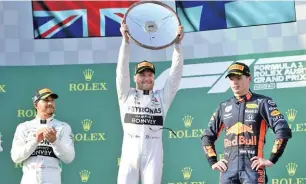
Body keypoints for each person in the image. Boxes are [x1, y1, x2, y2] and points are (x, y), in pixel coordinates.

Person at [201, 62, 292, 184]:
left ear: (249, 78)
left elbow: (283, 129)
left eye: (238, 78)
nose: (234, 82)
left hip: (253, 171)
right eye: (231, 79)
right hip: (228, 172)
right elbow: (207, 136)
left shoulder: (262, 102)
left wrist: (271, 159)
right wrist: (213, 161)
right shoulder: (223, 106)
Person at [116, 22, 184, 184]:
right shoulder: (126, 94)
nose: (146, 78)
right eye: (142, 75)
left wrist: (178, 46)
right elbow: (121, 70)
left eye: (149, 75)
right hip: (129, 157)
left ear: (154, 78)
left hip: (153, 156)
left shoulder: (162, 97)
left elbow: (175, 76)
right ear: (135, 78)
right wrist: (125, 42)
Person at [11, 88, 75, 184]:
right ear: (36, 104)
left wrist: (55, 141)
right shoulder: (24, 127)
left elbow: (69, 158)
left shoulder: (63, 127)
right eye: (46, 100)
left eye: (52, 100)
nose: (50, 103)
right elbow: (16, 157)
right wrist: (35, 141)